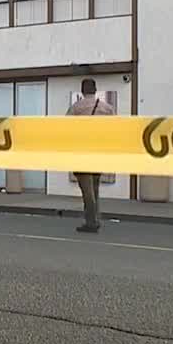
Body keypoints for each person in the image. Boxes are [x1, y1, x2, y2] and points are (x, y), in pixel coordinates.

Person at [67, 78, 115, 233]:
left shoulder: (76, 108)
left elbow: (64, 128)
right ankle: (95, 219)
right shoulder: (107, 108)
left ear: (82, 90)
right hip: (99, 153)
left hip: (81, 153)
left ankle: (91, 222)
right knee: (95, 188)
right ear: (95, 89)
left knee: (87, 190)